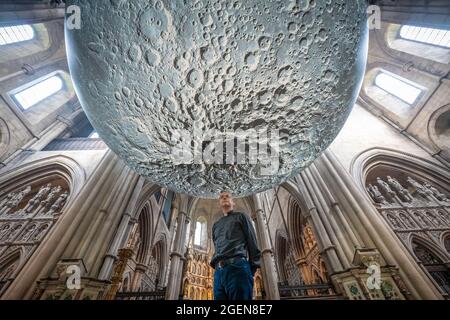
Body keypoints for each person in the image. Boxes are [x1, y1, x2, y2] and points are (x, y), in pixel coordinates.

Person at [210, 191, 261, 300]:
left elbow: (252, 241)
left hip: (238, 268)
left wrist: (249, 269)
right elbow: (216, 245)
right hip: (219, 273)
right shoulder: (216, 225)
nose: (224, 198)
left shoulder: (241, 217)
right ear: (219, 204)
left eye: (227, 196)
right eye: (221, 197)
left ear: (233, 203)